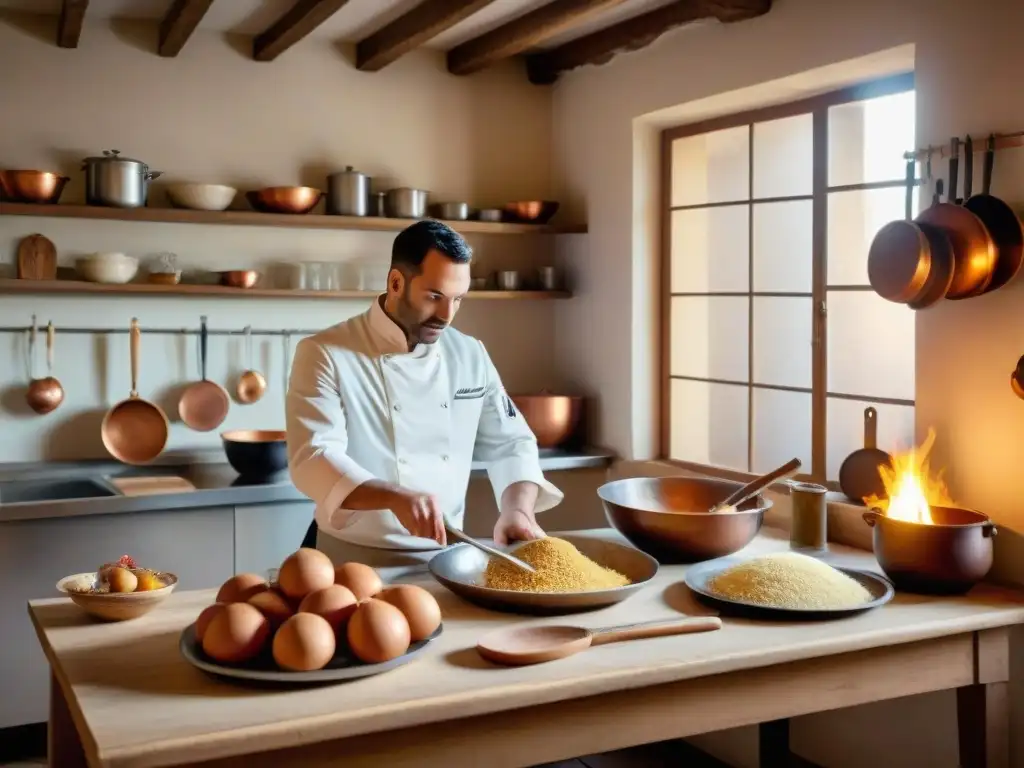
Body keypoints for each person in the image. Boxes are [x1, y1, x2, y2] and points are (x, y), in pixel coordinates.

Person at [286, 219, 564, 571]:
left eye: (458, 299)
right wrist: (394, 496)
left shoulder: (470, 354)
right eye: (434, 297)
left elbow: (512, 442)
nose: (447, 315)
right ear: (396, 282)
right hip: (352, 562)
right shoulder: (325, 352)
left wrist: (517, 509)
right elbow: (312, 457)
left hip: (446, 560)